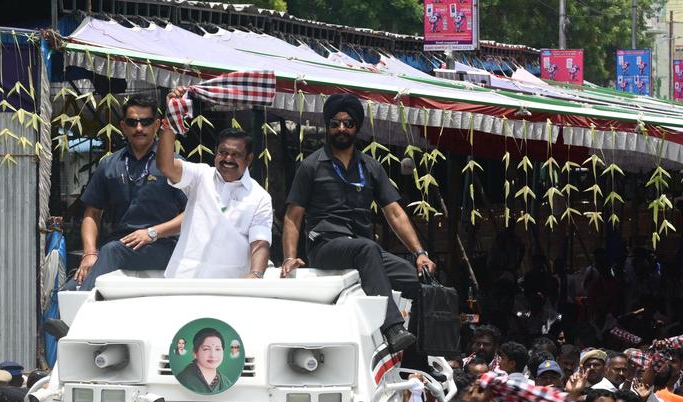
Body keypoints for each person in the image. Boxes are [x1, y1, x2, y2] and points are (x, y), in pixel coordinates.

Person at [281, 92, 435, 355]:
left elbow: (395, 213)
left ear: (357, 127)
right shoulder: (311, 166)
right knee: (367, 248)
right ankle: (392, 328)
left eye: (348, 123)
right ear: (328, 126)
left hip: (363, 250)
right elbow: (292, 217)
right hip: (326, 246)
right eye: (335, 123)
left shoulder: (371, 167)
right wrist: (289, 258)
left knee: (416, 278)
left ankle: (416, 361)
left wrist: (420, 253)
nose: (342, 128)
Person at [75, 95, 186, 289]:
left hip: (161, 245)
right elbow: (92, 213)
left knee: (111, 251)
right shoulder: (109, 164)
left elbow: (193, 212)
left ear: (157, 125)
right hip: (118, 246)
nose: (139, 128)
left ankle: (81, 307)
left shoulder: (173, 164)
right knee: (70, 287)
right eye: (132, 122)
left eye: (146, 122)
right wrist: (90, 253)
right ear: (123, 126)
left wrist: (152, 233)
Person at [156, 104, 273, 279]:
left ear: (248, 159)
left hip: (229, 284)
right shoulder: (200, 176)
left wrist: (256, 274)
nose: (228, 159)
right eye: (223, 152)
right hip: (183, 278)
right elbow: (166, 166)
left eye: (235, 154)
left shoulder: (259, 197)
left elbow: (260, 240)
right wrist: (169, 122)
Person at [175, 328, 229, 394]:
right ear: (195, 353)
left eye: (217, 349)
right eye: (206, 349)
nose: (213, 355)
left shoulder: (226, 382)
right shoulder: (184, 380)